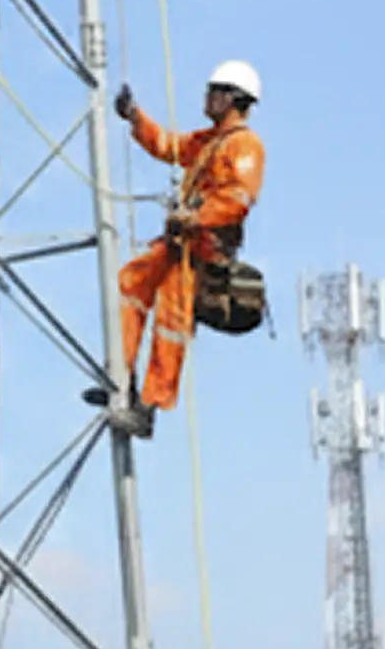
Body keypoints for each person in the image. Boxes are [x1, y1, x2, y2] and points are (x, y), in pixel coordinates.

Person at [90, 59, 265, 437]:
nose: (207, 98)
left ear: (233, 98)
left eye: (214, 92)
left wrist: (195, 219)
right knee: (131, 282)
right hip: (180, 243)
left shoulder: (245, 146)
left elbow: (237, 199)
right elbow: (168, 145)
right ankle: (121, 377)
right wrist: (135, 118)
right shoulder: (208, 142)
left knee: (171, 323)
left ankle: (149, 407)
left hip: (201, 252)